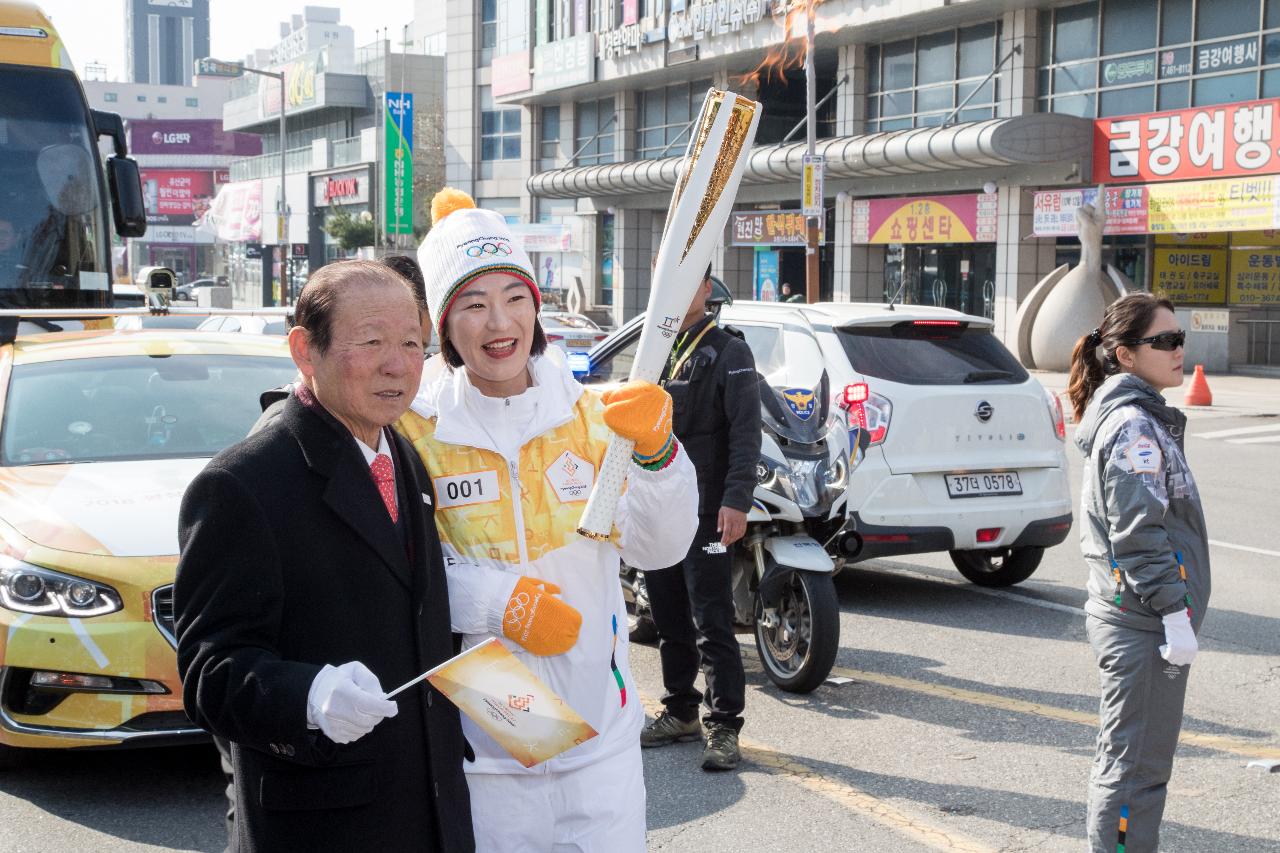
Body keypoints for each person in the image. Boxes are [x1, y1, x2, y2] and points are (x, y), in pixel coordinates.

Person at [396, 188, 698, 852]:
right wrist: (498, 601)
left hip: (603, 732)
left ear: (538, 305)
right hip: (488, 737)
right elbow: (391, 566)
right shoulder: (415, 430)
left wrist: (658, 455)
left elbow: (661, 545)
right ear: (445, 325)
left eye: (515, 297)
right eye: (472, 304)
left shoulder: (589, 417)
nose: (498, 321)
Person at [175, 260, 473, 853]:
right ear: (304, 351)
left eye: (413, 343)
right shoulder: (243, 483)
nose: (398, 363)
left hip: (431, 807)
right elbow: (210, 672)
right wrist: (308, 696)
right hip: (323, 820)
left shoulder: (403, 455)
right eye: (371, 342)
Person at [1068, 293, 1210, 853]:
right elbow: (1139, 535)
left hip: (1142, 617)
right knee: (1133, 775)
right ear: (1125, 355)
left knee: (1135, 767)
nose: (1179, 351)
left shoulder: (1140, 416)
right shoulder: (1132, 425)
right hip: (1143, 622)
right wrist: (1174, 613)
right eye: (1166, 341)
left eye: (1180, 340)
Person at [640, 266, 761, 771]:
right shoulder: (653, 345)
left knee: (711, 619)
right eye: (666, 283)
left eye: (687, 283)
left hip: (708, 507)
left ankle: (724, 725)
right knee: (666, 615)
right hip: (655, 505)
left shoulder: (729, 351)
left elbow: (746, 431)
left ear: (706, 290)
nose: (675, 293)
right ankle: (681, 710)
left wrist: (737, 499)